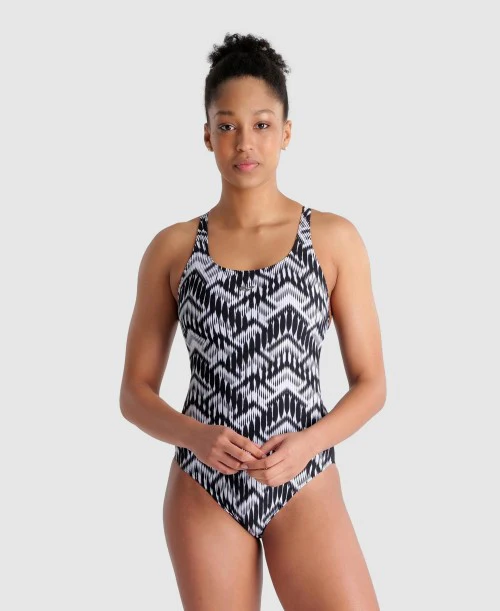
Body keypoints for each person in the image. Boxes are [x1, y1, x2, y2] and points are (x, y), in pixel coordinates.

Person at [120, 32, 386, 611]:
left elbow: (372, 385)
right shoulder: (172, 249)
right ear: (207, 135)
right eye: (227, 125)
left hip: (303, 479)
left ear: (286, 132)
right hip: (203, 487)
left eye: (262, 124)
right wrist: (197, 437)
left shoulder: (332, 239)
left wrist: (308, 445)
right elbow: (134, 393)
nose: (245, 142)